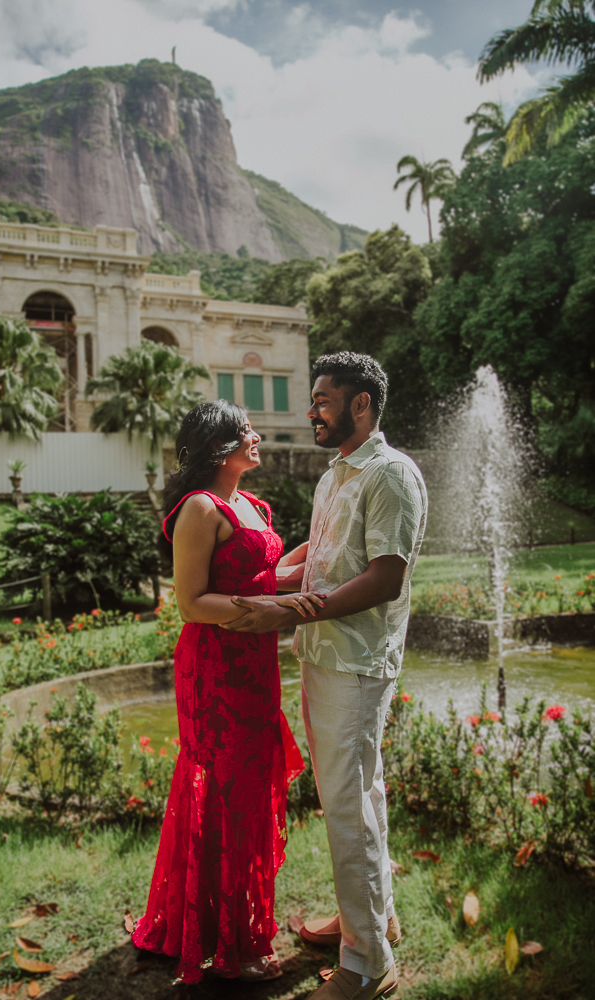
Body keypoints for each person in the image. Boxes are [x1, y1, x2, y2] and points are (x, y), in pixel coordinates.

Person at [225, 353, 428, 1000]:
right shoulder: (336, 474)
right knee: (359, 798)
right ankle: (369, 918)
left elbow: (384, 575)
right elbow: (323, 550)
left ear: (360, 404)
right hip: (323, 655)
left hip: (356, 662)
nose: (310, 409)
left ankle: (366, 965)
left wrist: (283, 610)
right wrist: (264, 581)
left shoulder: (390, 474)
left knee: (347, 806)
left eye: (321, 400)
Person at [126, 400, 324, 984]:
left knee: (251, 787)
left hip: (255, 663)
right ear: (219, 445)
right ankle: (230, 940)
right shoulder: (198, 509)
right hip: (214, 668)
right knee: (226, 792)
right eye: (246, 432)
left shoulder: (252, 505)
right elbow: (190, 603)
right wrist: (278, 607)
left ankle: (226, 923)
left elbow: (265, 578)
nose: (257, 436)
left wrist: (319, 552)